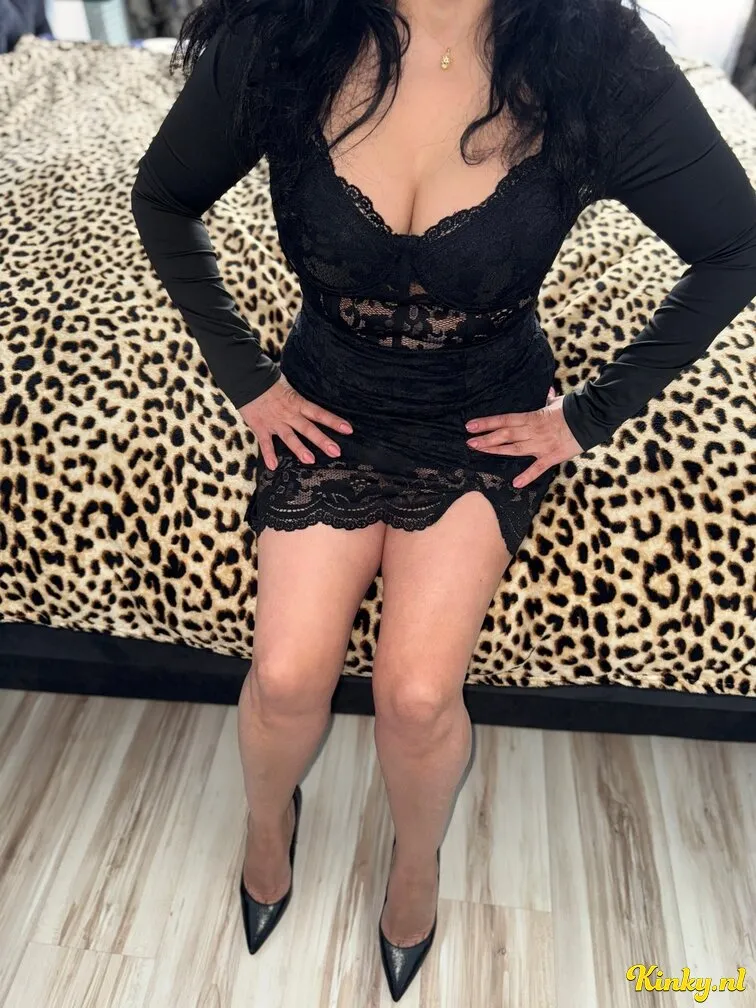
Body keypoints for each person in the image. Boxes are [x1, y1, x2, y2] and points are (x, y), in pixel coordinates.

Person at [131, 0, 756, 999]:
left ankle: (417, 862)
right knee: (285, 678)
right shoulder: (287, 29)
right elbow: (162, 196)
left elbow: (737, 244)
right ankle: (267, 821)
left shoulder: (595, 53)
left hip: (481, 415)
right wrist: (248, 381)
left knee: (418, 695)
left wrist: (588, 416)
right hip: (327, 401)